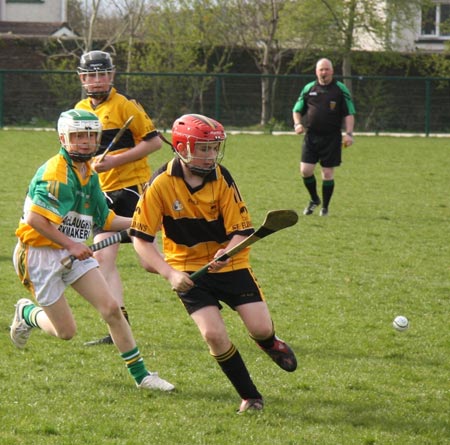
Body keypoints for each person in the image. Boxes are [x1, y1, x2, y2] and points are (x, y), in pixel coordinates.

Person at [129, 113, 297, 413]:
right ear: (182, 147)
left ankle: (269, 343)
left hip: (231, 265)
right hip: (188, 270)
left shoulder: (223, 178)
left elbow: (242, 231)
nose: (210, 156)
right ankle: (250, 396)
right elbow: (141, 239)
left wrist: (227, 252)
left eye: (213, 148)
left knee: (259, 328)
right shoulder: (160, 183)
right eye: (203, 149)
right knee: (213, 334)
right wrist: (169, 273)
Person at [10, 109, 174, 392]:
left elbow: (106, 219)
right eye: (78, 136)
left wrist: (146, 223)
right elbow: (36, 221)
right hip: (38, 254)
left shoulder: (87, 172)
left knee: (112, 308)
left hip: (71, 253)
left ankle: (142, 376)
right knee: (66, 332)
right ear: (64, 138)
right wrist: (72, 244)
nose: (85, 142)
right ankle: (26, 314)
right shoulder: (57, 174)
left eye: (90, 135)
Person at [75, 50, 162, 346]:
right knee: (102, 258)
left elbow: (154, 143)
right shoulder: (80, 110)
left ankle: (199, 287)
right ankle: (120, 324)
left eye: (102, 74)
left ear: (111, 76)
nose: (97, 80)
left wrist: (115, 161)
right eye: (91, 75)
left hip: (131, 190)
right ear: (82, 78)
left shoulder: (126, 106)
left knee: (151, 263)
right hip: (103, 194)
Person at [292, 58, 356, 216]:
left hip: (332, 138)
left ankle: (325, 208)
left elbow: (349, 113)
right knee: (305, 171)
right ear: (316, 71)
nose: (324, 72)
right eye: (321, 69)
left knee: (327, 173)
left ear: (332, 71)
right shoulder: (309, 88)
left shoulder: (340, 89)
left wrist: (348, 134)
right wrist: (297, 124)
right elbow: (297, 109)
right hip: (311, 136)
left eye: (327, 69)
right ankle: (314, 199)